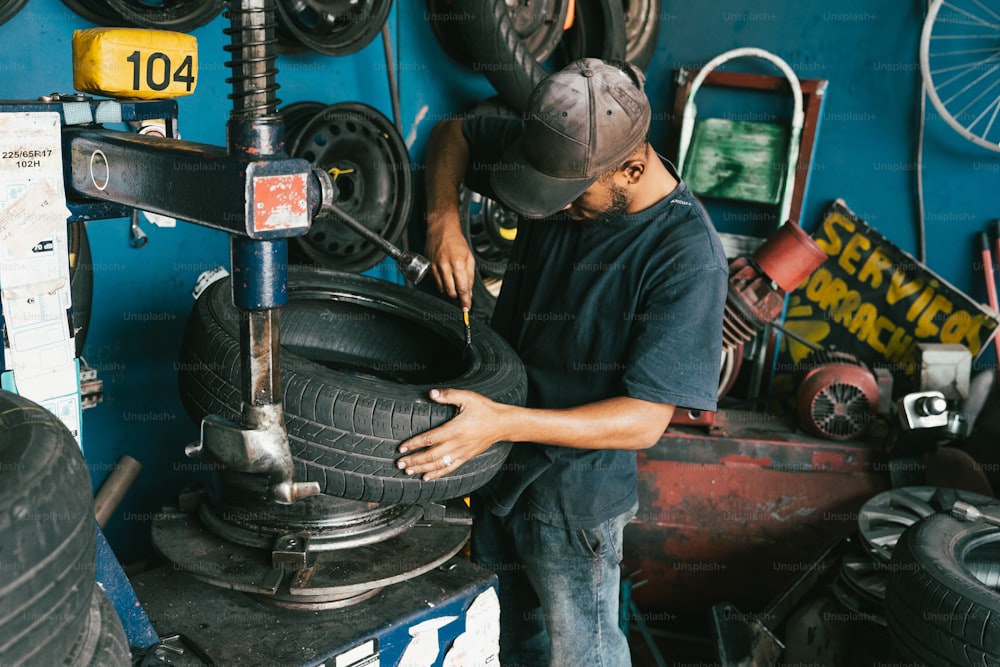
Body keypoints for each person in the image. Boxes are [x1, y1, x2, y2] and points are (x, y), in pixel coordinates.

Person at [396, 58, 729, 666]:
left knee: (583, 656)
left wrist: (502, 422)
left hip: (573, 502)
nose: (556, 210)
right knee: (510, 644)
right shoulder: (561, 160)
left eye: (572, 200)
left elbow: (644, 421)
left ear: (632, 167)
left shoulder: (687, 258)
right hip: (495, 466)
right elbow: (456, 134)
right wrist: (443, 220)